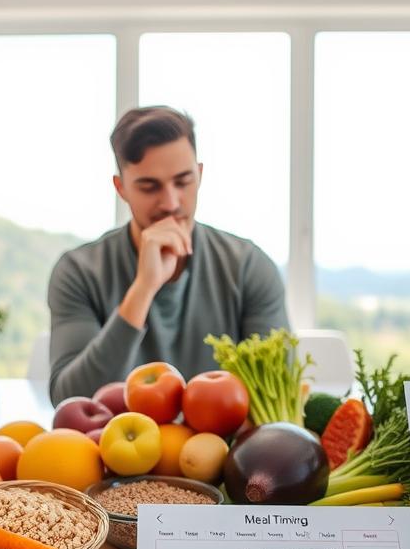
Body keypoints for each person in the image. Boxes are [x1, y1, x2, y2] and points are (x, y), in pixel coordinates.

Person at [46, 106, 289, 405]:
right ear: (121, 188)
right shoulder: (79, 272)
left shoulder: (249, 266)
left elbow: (277, 396)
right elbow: (70, 400)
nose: (171, 203)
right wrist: (144, 288)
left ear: (199, 175)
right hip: (113, 451)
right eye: (149, 187)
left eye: (183, 182)